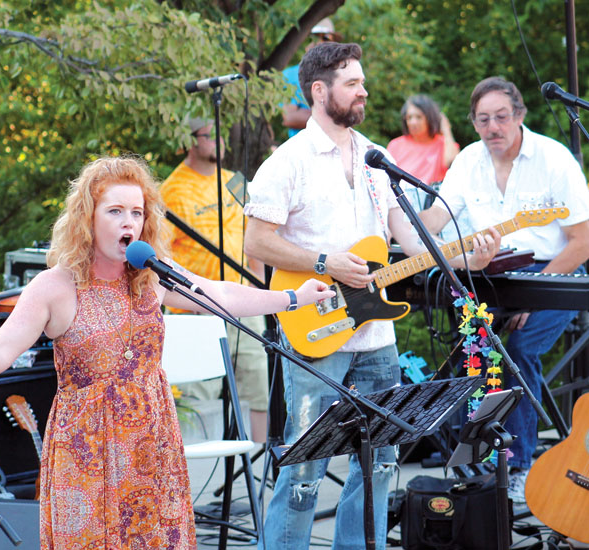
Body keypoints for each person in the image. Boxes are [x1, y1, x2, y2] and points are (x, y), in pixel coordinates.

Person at [0, 155, 335, 549]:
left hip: (152, 439)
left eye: (136, 211)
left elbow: (219, 293)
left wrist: (291, 298)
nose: (128, 221)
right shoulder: (54, 286)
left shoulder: (154, 274)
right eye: (115, 210)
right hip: (86, 449)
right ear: (88, 217)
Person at [243, 43, 498, 550]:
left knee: (381, 464)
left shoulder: (375, 157)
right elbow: (256, 241)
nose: (364, 90)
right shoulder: (287, 161)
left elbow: (412, 236)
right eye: (353, 82)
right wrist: (324, 263)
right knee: (304, 472)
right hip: (314, 330)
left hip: (377, 336)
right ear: (320, 91)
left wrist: (469, 257)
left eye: (362, 81)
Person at [419, 76, 589, 503]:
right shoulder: (468, 161)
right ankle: (472, 461)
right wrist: (395, 223)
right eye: (482, 120)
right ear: (473, 123)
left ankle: (517, 466)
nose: (492, 127)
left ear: (519, 116)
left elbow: (583, 239)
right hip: (488, 275)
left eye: (500, 117)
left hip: (553, 272)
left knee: (517, 350)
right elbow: (435, 219)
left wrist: (536, 290)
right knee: (472, 353)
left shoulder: (553, 158)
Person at [160, 118, 270, 442]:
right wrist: (187, 298)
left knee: (258, 388)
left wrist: (259, 283)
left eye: (222, 137)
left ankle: (257, 473)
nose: (219, 143)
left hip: (243, 303)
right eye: (210, 137)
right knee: (196, 398)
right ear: (189, 141)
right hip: (195, 310)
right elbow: (160, 256)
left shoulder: (236, 182)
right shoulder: (171, 190)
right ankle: (197, 475)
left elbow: (254, 237)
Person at [386, 94, 460, 211]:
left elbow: (452, 162)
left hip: (431, 207)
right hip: (401, 206)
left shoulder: (443, 143)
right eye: (409, 118)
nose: (413, 122)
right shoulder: (395, 145)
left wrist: (446, 130)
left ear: (429, 118)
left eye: (418, 117)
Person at [282, 18, 341, 139]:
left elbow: (348, 115)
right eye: (314, 38)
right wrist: (333, 115)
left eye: (325, 38)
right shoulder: (289, 74)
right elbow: (289, 117)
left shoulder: (340, 75)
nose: (319, 43)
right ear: (306, 43)